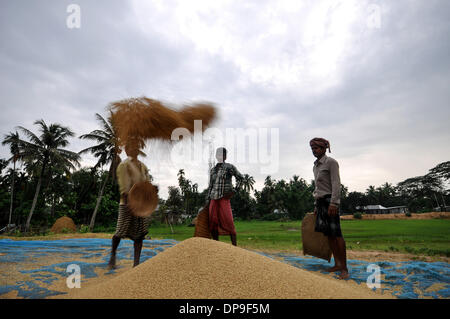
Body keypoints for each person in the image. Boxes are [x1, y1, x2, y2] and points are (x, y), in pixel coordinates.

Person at [108, 140, 151, 269]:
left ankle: (136, 264)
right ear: (127, 151)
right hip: (126, 203)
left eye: (137, 147)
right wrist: (128, 203)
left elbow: (146, 183)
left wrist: (152, 190)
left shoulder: (143, 166)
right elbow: (124, 189)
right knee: (120, 231)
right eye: (132, 147)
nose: (135, 149)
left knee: (140, 234)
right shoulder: (123, 166)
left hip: (141, 205)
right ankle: (113, 255)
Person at [310, 137, 349, 279]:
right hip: (320, 202)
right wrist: (316, 205)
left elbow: (336, 184)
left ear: (324, 148)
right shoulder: (315, 166)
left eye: (317, 148)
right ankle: (337, 263)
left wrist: (334, 203)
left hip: (330, 202)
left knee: (337, 234)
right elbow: (317, 187)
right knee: (329, 235)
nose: (314, 151)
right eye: (312, 149)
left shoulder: (331, 162)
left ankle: (344, 268)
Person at [206, 147, 243, 246]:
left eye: (222, 155)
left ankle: (234, 246)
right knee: (213, 221)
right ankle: (216, 245)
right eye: (218, 154)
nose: (220, 156)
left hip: (224, 197)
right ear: (216, 156)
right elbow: (210, 186)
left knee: (228, 220)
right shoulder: (213, 170)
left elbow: (241, 178)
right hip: (213, 198)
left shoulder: (229, 167)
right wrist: (208, 200)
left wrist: (234, 191)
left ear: (225, 156)